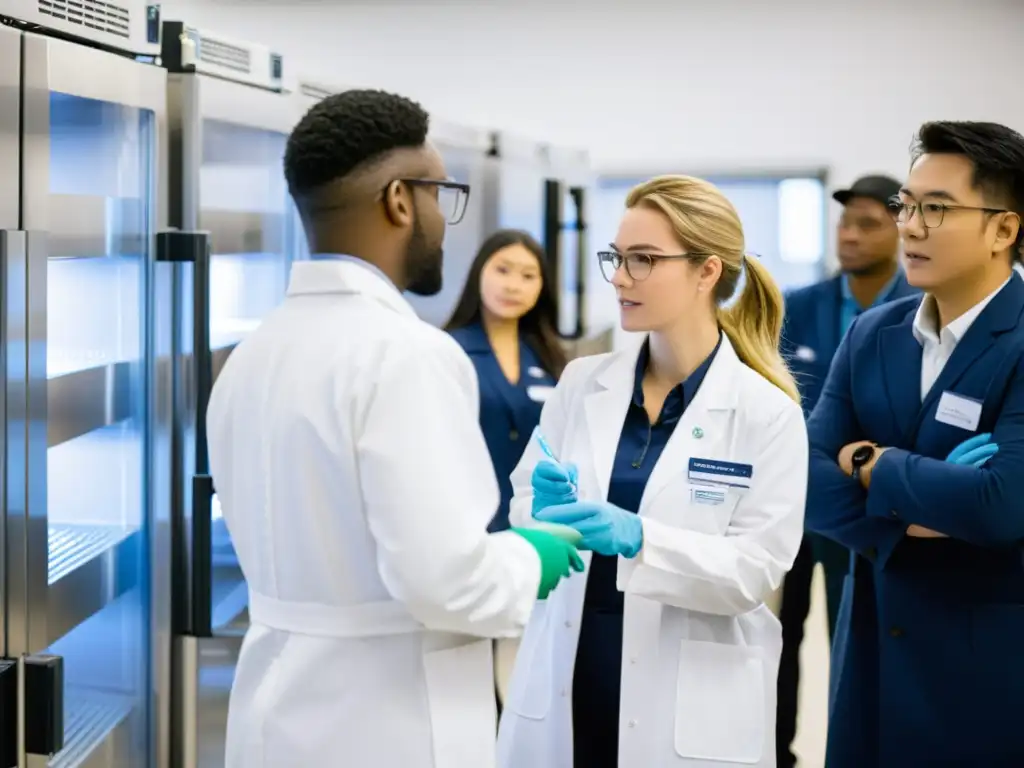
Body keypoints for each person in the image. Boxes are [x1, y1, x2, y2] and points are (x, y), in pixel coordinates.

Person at [205, 89, 584, 768]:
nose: (444, 218)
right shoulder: (405, 353)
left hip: (274, 715)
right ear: (401, 201)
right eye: (441, 194)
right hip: (385, 725)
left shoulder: (252, 353)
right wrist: (535, 555)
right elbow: (449, 584)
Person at [496, 175, 809, 768]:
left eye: (643, 260)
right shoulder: (582, 383)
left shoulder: (766, 413)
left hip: (687, 699)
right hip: (570, 673)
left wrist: (642, 538)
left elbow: (755, 571)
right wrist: (536, 511)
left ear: (707, 271)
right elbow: (523, 513)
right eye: (617, 257)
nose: (618, 277)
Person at [805, 120, 1024, 767]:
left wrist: (872, 462)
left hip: (985, 667)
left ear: (1004, 229)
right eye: (908, 206)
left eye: (938, 209)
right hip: (869, 652)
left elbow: (1000, 503)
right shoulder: (874, 333)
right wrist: (918, 512)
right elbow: (809, 481)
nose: (911, 226)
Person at [775, 173, 919, 766]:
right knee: (778, 637)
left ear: (900, 229)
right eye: (844, 222)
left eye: (869, 223)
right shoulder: (799, 305)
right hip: (789, 498)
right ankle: (777, 752)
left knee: (852, 636)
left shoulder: (916, 308)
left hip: (861, 504)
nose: (851, 235)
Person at [447, 229, 568, 533]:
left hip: (538, 526)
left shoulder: (550, 359)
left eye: (528, 276)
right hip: (467, 523)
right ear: (479, 272)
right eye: (502, 270)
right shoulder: (449, 351)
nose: (513, 286)